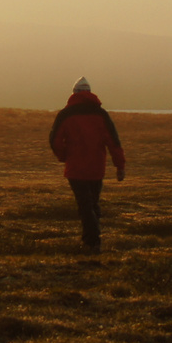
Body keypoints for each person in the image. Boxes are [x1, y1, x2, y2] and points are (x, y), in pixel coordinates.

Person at [48, 76, 126, 254]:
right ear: (90, 92)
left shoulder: (66, 114)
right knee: (92, 203)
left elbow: (55, 140)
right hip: (96, 168)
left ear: (74, 93)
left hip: (75, 168)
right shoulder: (100, 114)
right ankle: (92, 239)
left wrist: (64, 156)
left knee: (84, 205)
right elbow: (114, 142)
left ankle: (91, 241)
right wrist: (120, 166)